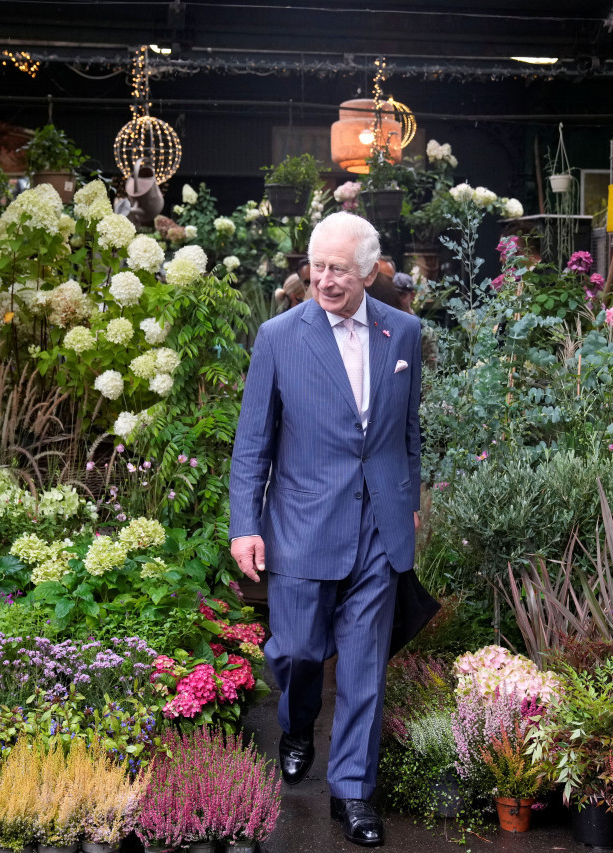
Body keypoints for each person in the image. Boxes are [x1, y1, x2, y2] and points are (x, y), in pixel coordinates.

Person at [229, 211, 423, 847]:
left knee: (365, 664)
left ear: (369, 271)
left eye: (340, 268)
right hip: (303, 522)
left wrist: (409, 496)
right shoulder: (280, 336)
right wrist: (245, 525)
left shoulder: (405, 334)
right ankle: (295, 722)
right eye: (318, 265)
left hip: (378, 527)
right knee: (297, 651)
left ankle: (353, 793)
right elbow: (252, 442)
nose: (326, 279)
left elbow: (409, 432)